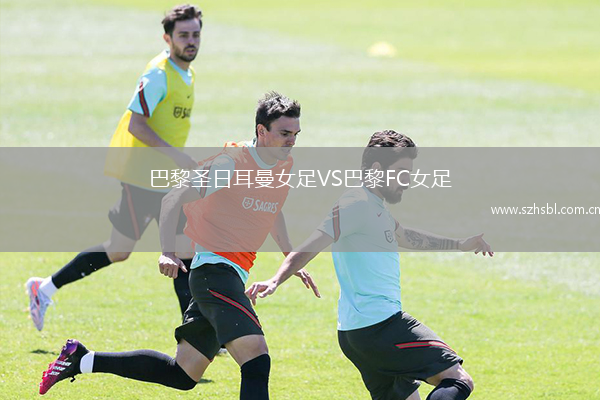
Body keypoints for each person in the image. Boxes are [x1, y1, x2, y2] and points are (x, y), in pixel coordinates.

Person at [39, 92, 319, 399]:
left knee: (183, 373)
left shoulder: (282, 164)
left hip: (228, 276)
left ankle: (82, 359)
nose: (292, 141)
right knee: (256, 358)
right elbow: (173, 197)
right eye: (284, 133)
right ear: (261, 131)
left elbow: (273, 208)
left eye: (296, 134)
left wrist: (289, 256)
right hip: (215, 273)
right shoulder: (230, 164)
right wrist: (168, 251)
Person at [246, 130, 493, 400]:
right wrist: (276, 280)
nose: (406, 181)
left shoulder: (375, 207)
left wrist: (459, 244)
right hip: (381, 326)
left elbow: (406, 236)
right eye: (401, 173)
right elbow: (313, 243)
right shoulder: (355, 204)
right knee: (458, 379)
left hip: (358, 333)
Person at [26, 4, 203, 331]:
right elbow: (137, 125)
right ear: (167, 38)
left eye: (195, 34)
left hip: (164, 176)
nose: (191, 41)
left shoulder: (186, 73)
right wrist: (177, 157)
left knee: (183, 250)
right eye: (183, 35)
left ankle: (195, 332)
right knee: (122, 250)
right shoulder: (158, 75)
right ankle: (44, 288)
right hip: (141, 176)